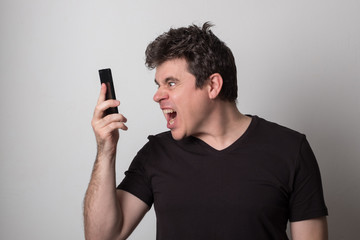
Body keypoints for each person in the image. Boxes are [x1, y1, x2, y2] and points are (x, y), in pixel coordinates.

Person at [84, 22, 328, 240]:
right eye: (158, 85)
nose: (157, 96)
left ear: (212, 85)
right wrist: (106, 150)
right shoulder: (156, 153)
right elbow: (102, 237)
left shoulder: (290, 150)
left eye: (171, 83)